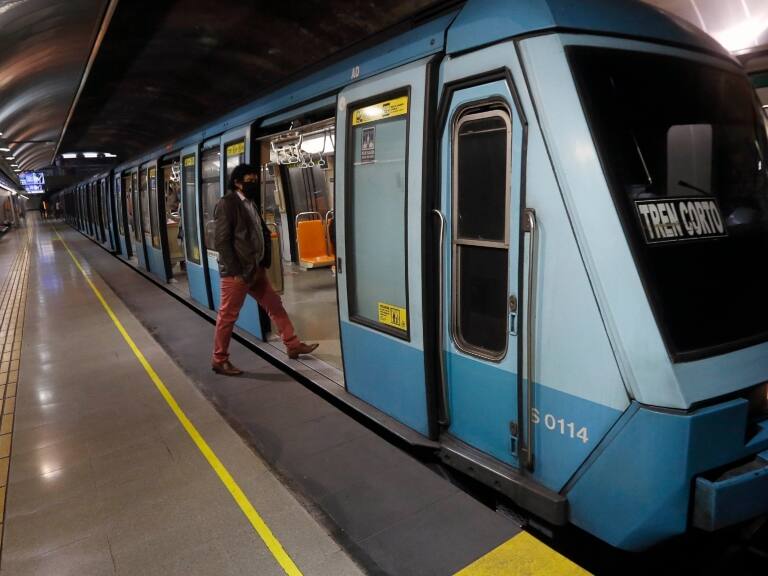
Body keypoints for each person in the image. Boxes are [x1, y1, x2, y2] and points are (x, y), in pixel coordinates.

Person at [211, 163, 317, 375]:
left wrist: (264, 260)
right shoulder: (227, 204)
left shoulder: (250, 203)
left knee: (275, 305)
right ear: (237, 182)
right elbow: (222, 242)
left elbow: (259, 231)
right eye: (249, 181)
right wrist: (237, 272)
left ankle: (292, 344)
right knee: (228, 316)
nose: (253, 184)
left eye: (255, 181)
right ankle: (219, 359)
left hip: (255, 269)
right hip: (238, 274)